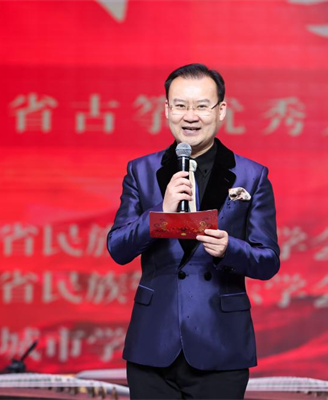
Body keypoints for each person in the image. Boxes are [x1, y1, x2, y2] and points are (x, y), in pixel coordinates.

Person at [107, 63, 280, 400]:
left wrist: (230, 249)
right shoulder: (141, 171)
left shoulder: (252, 176)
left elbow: (268, 260)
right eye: (180, 105)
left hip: (221, 344)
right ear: (167, 110)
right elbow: (118, 247)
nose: (190, 116)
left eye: (202, 106)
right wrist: (160, 214)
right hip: (153, 345)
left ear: (221, 111)